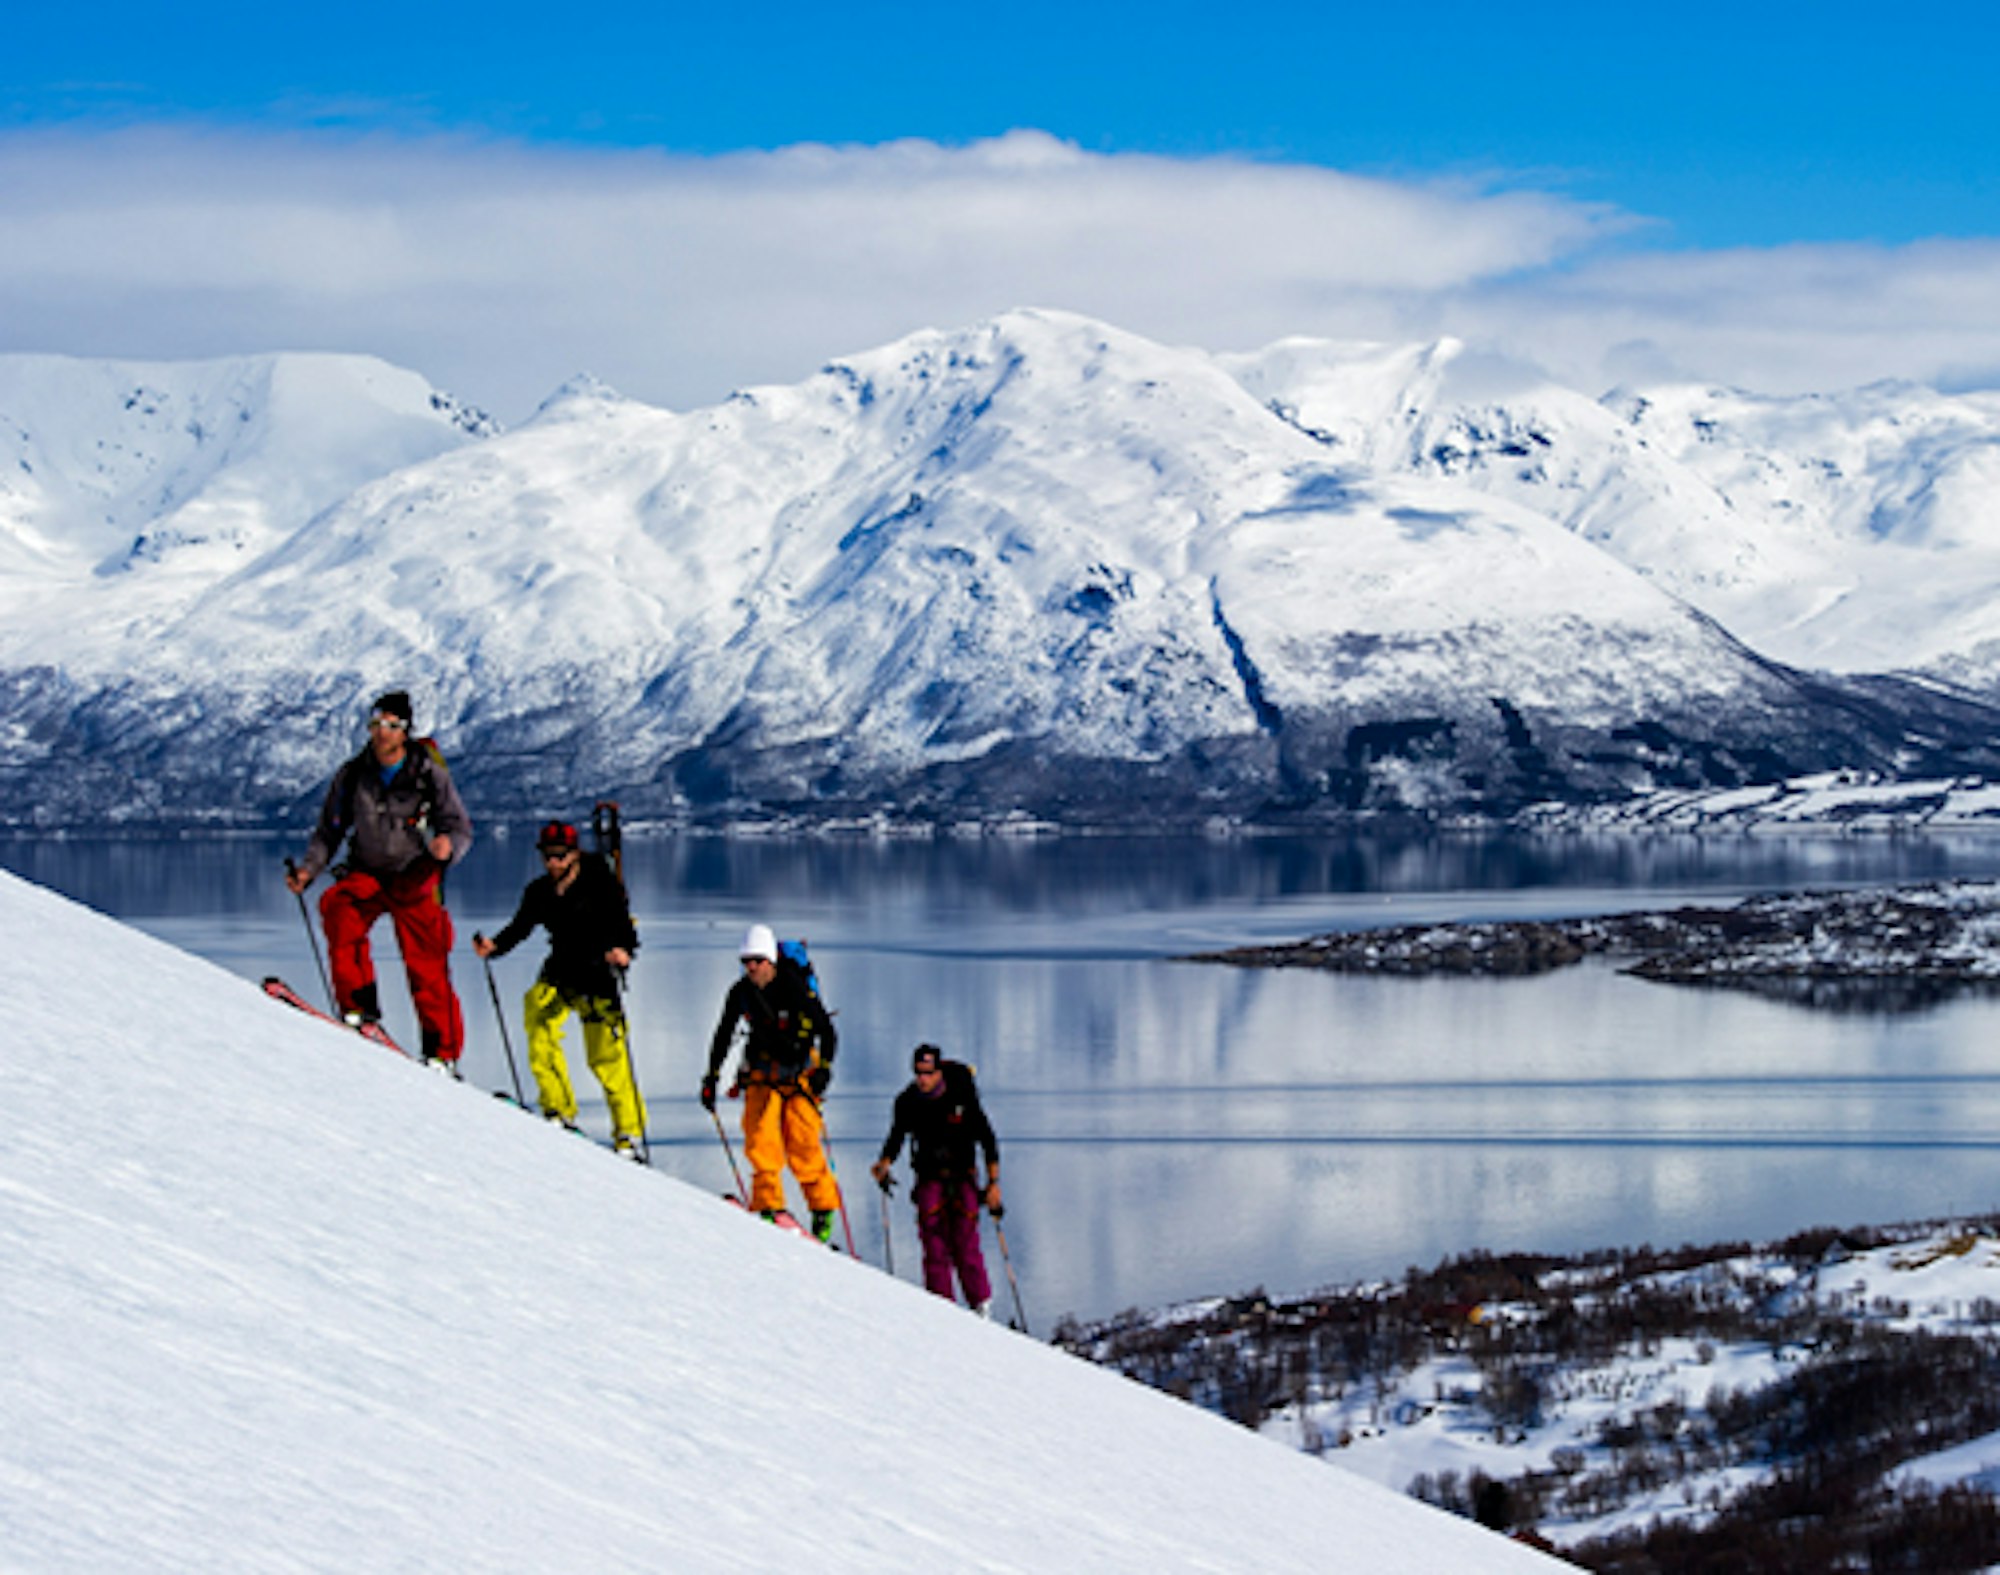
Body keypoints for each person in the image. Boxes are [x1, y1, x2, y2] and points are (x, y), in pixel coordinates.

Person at [285, 690, 472, 1069]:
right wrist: (309, 870)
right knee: (339, 910)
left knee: (427, 964)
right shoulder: (354, 774)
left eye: (391, 725)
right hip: (367, 871)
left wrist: (447, 846)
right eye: (377, 724)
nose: (382, 732)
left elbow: (459, 827)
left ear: (405, 731)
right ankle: (358, 1011)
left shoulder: (427, 774)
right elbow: (329, 830)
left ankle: (442, 1052)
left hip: (415, 876)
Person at [472, 821, 646, 1159]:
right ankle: (557, 1107)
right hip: (561, 969)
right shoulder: (539, 891)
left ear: (574, 854)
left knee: (606, 1059)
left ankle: (628, 1131)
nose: (552, 862)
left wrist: (622, 951)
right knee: (538, 1023)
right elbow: (520, 927)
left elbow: (624, 926)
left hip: (597, 976)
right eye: (547, 856)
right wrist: (494, 947)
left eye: (559, 855)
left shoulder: (601, 885)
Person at [702, 923, 841, 1241]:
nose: (751, 967)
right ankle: (768, 1205)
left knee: (803, 1145)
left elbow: (826, 1031)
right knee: (760, 1142)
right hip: (761, 1073)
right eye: (746, 961)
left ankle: (822, 1210)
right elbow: (723, 1034)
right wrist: (711, 1077)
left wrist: (824, 1070)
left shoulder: (794, 987)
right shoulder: (740, 993)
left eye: (757, 960)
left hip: (799, 1075)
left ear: (770, 960)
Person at [871, 1043, 1002, 1315]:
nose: (923, 1079)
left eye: (928, 1073)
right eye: (918, 1072)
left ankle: (980, 1306)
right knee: (934, 1247)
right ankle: (942, 1309)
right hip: (929, 1178)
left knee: (966, 1245)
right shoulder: (907, 1102)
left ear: (939, 1071)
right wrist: (884, 1162)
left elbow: (987, 1138)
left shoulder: (962, 1096)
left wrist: (993, 1183)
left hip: (963, 1177)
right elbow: (896, 1136)